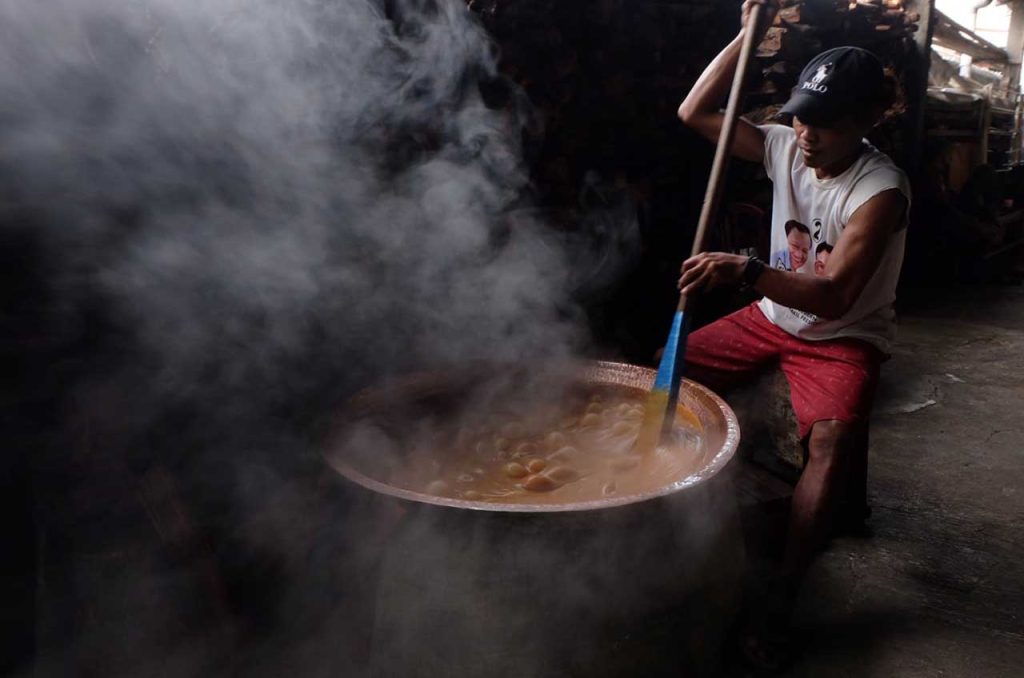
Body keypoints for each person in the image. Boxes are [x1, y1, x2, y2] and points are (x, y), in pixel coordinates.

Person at [676, 0, 910, 668]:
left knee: (830, 443)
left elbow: (836, 295)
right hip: (770, 318)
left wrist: (745, 269)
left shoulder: (880, 189)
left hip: (842, 334)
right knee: (665, 371)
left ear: (869, 121)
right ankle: (677, 509)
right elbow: (694, 114)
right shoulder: (785, 143)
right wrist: (746, 34)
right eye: (801, 117)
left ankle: (783, 589)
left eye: (827, 125)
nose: (806, 136)